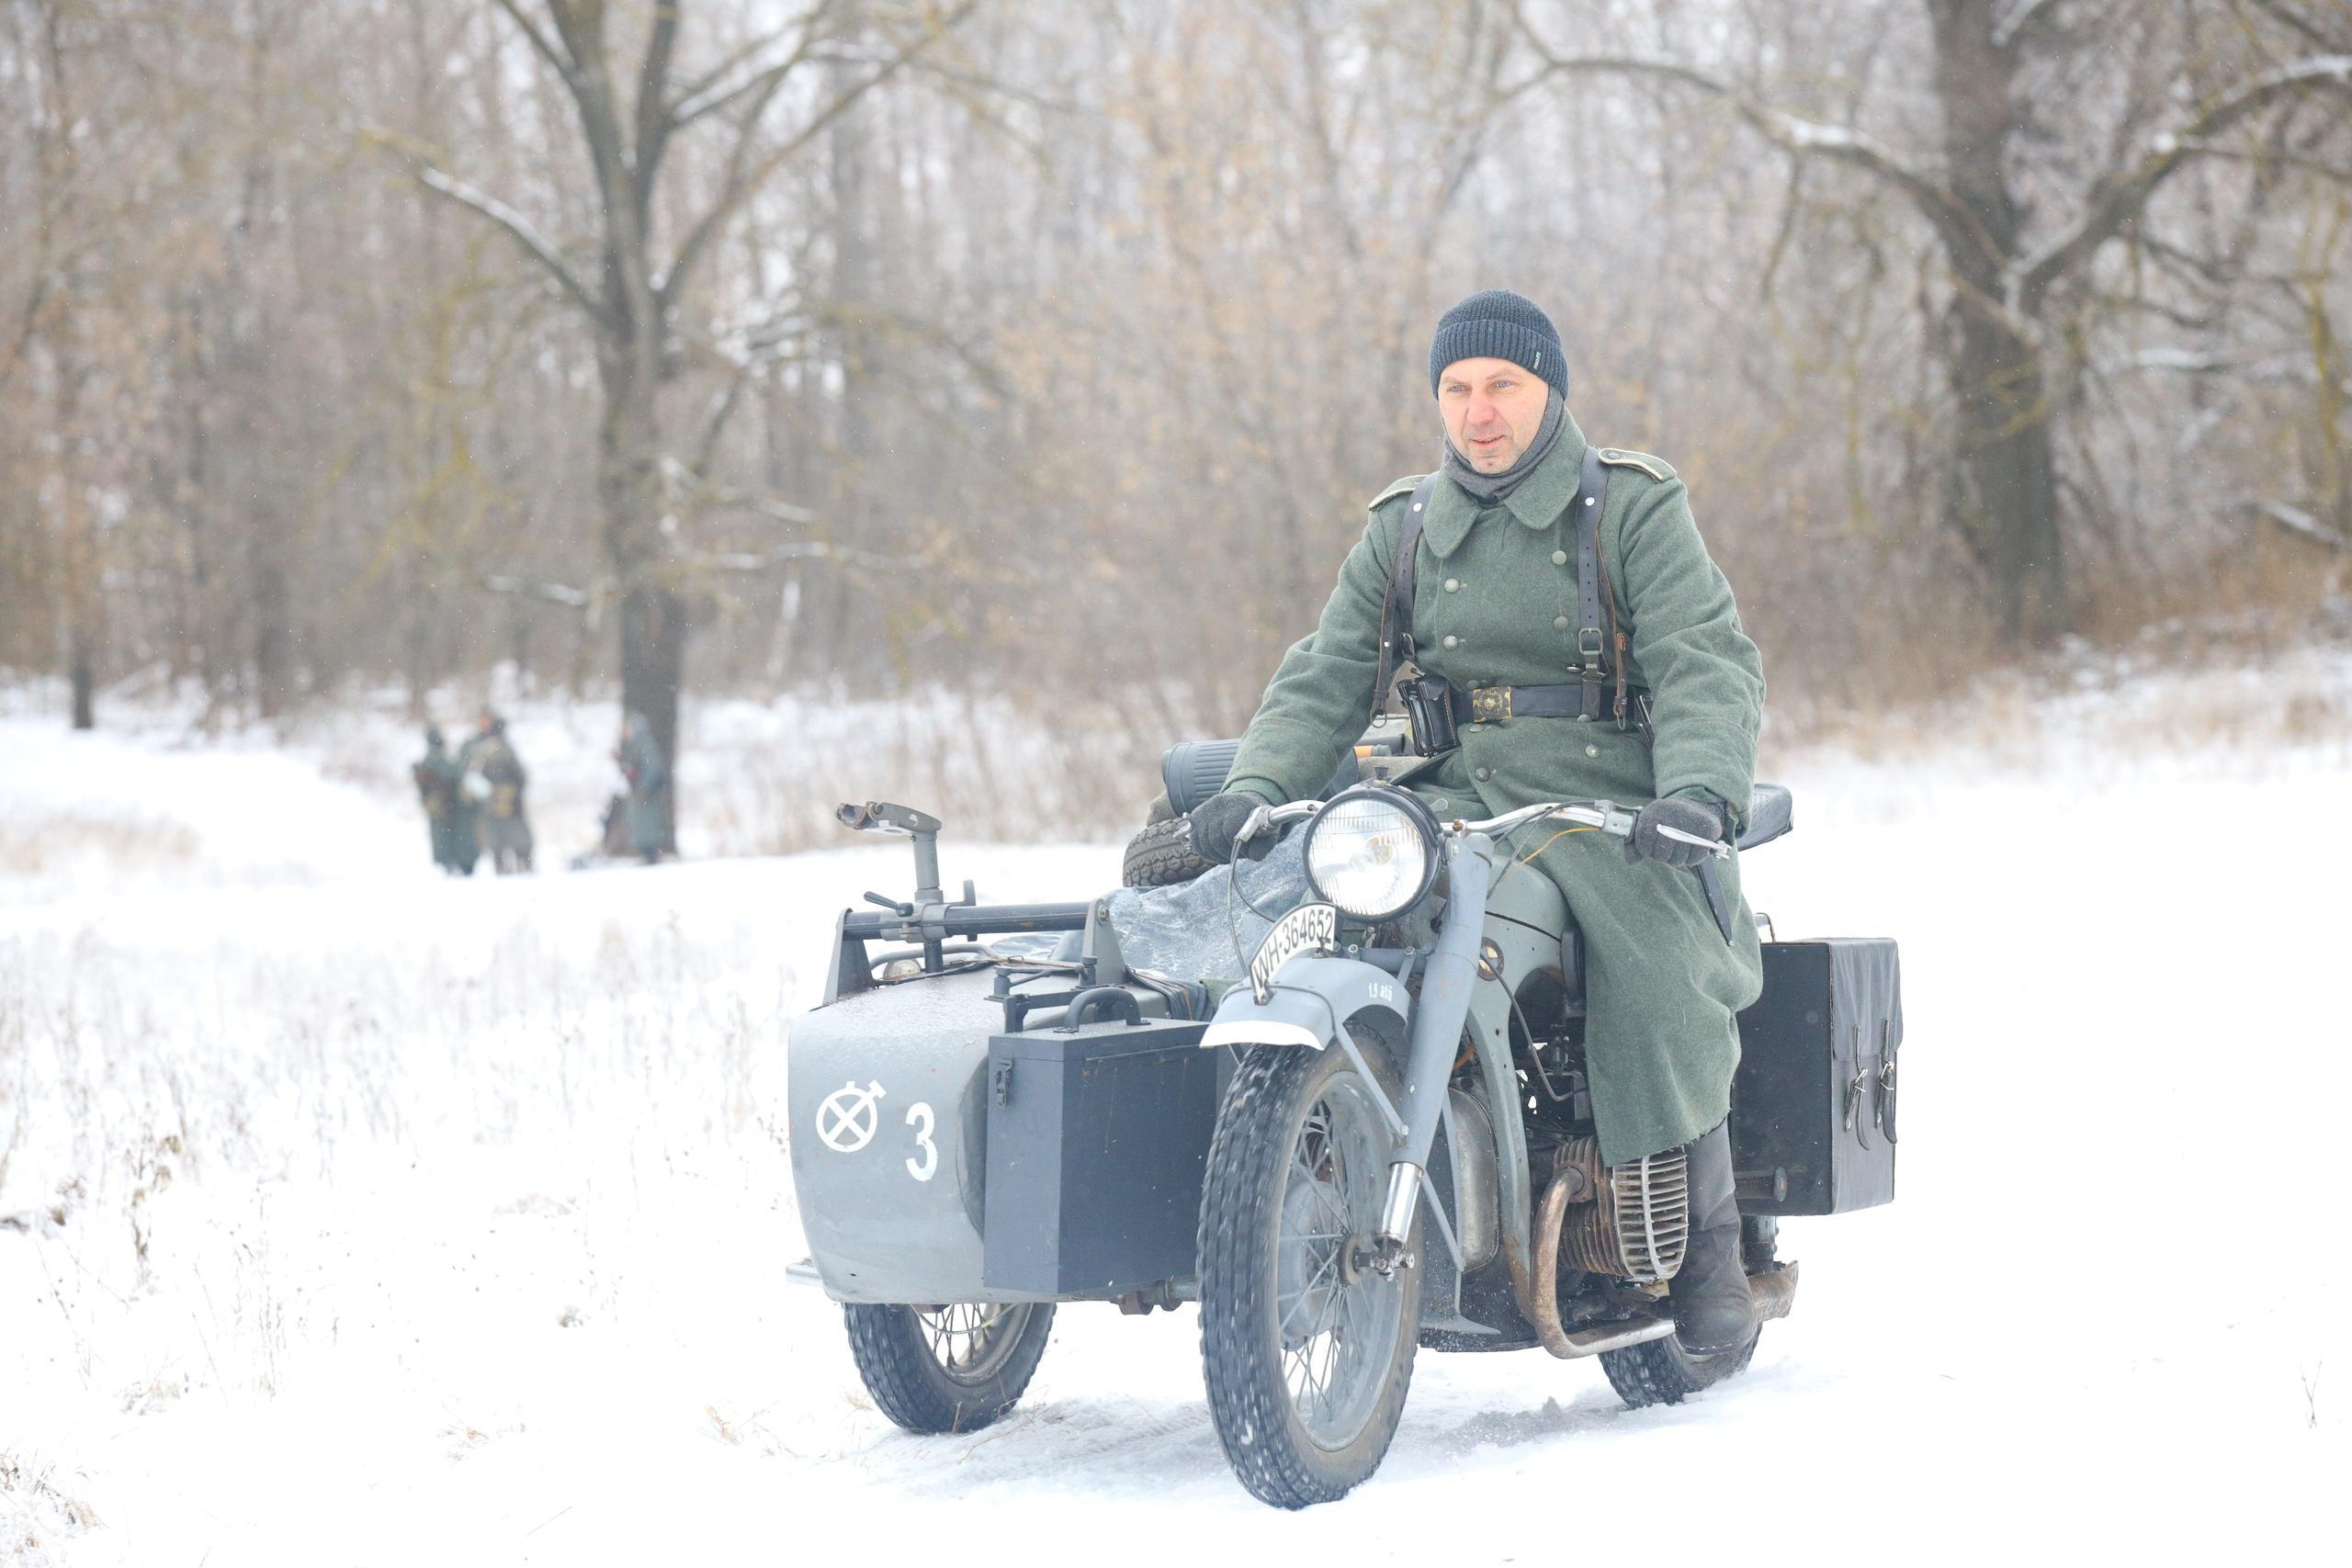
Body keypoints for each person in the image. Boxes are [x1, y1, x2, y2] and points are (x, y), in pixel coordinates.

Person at [1182, 289, 1767, 1355]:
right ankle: (1309, 1160)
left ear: (1550, 392)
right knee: (1314, 906)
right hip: (1449, 791)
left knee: (1657, 961)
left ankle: (1710, 1250)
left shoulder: (1628, 506)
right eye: (1455, 389)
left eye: (1502, 384)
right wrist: (1260, 783)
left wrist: (1696, 792)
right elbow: (1326, 672)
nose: (1478, 411)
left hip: (1602, 797)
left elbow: (1701, 657)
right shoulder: (1405, 525)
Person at [459, 708, 534, 874]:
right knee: (496, 841)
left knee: (519, 839)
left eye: (487, 720)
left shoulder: (502, 745)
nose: (484, 724)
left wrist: (510, 793)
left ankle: (525, 868)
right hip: (489, 801)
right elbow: (466, 772)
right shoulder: (474, 745)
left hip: (509, 801)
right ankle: (503, 871)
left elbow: (519, 775)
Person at [410, 726, 476, 874]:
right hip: (445, 804)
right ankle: (454, 863)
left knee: (446, 836)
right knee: (450, 836)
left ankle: (452, 863)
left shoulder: (431, 759)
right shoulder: (436, 759)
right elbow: (452, 774)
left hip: (444, 804)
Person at [615, 710, 670, 865]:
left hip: (647, 794)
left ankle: (651, 856)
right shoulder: (634, 745)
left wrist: (643, 788)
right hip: (640, 792)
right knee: (641, 826)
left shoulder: (645, 744)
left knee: (648, 827)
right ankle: (648, 856)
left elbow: (652, 768)